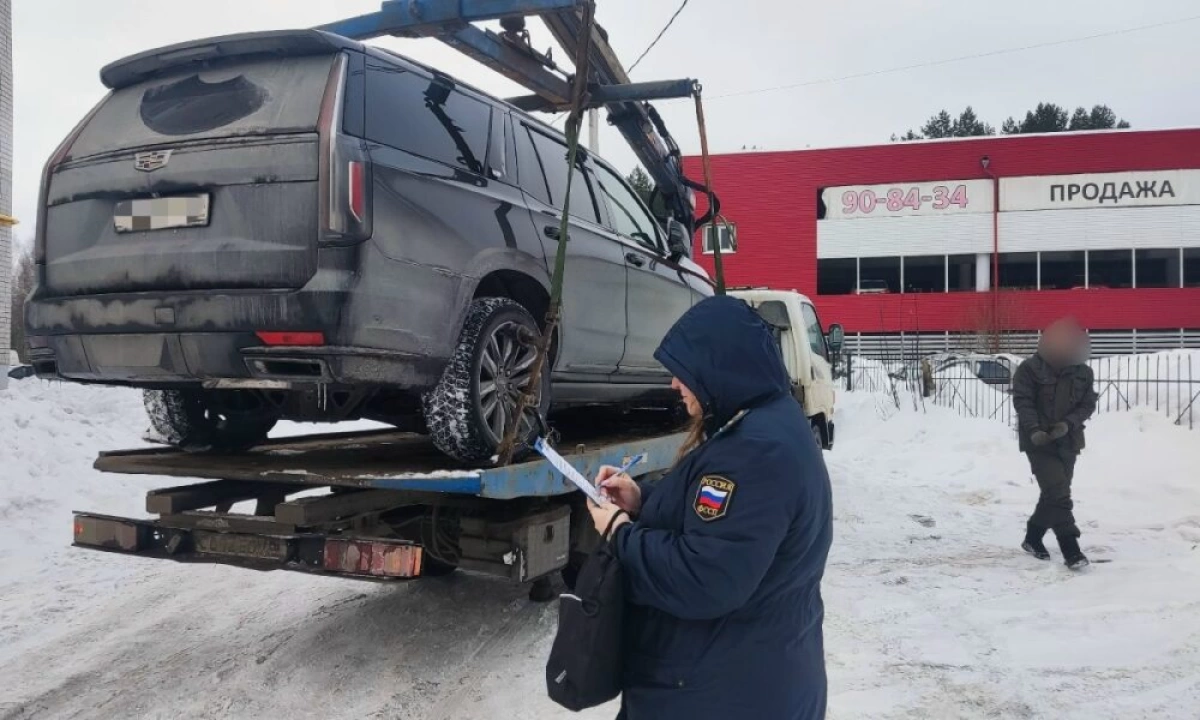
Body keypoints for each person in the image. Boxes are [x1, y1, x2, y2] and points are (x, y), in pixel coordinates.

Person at [586, 295, 833, 720]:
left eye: (683, 371)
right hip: (750, 676)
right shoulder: (771, 424)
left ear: (718, 366)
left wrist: (620, 533)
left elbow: (705, 577)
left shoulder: (754, 452)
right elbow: (729, 527)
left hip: (721, 693)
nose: (674, 384)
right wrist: (642, 500)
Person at [1011, 317, 1098, 569]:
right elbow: (1023, 401)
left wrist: (1068, 424)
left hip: (1068, 440)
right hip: (1039, 442)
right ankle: (1071, 550)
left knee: (1053, 494)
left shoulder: (1083, 372)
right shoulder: (1030, 369)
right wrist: (1034, 429)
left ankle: (1032, 537)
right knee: (1059, 493)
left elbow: (1087, 404)